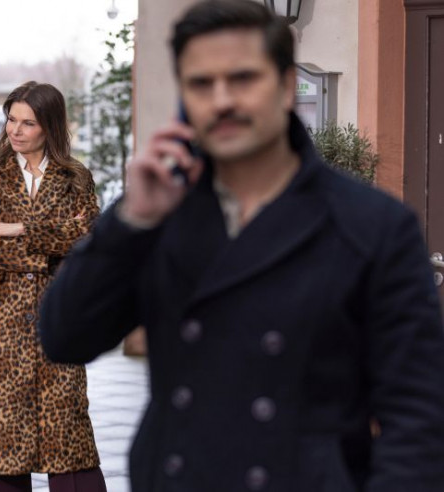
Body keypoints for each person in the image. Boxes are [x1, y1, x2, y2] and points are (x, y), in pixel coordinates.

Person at [38, 1, 444, 491]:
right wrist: (129, 224)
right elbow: (65, 337)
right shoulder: (159, 212)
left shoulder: (371, 224)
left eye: (243, 78)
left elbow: (418, 415)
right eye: (201, 84)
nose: (222, 100)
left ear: (286, 85)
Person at [0, 81, 106, 491]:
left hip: (58, 323)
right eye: (12, 120)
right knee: (6, 446)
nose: (16, 130)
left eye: (28, 123)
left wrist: (20, 229)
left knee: (69, 440)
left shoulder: (75, 178)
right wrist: (53, 248)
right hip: (0, 329)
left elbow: (89, 237)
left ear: (49, 126)